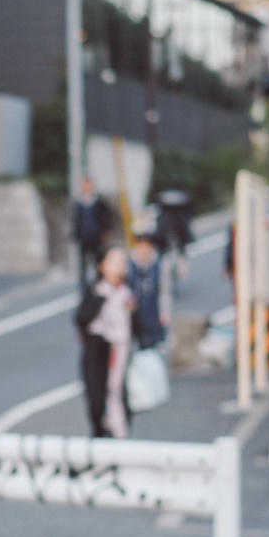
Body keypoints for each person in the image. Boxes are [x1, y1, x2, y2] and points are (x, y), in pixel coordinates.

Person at [74, 246, 137, 438]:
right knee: (98, 397)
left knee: (120, 393)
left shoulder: (128, 294)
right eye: (115, 262)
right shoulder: (96, 292)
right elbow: (81, 319)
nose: (120, 267)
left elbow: (138, 324)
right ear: (103, 266)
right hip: (98, 352)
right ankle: (102, 435)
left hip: (122, 350)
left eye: (123, 262)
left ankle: (120, 432)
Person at [129, 221, 168, 351]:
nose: (144, 250)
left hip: (154, 311)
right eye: (140, 245)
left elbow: (164, 291)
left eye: (147, 245)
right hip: (137, 314)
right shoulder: (130, 265)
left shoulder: (159, 264)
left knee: (157, 345)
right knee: (140, 346)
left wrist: (165, 312)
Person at [71, 175, 116, 283]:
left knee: (99, 264)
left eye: (89, 184)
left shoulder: (99, 202)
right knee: (83, 267)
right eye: (85, 185)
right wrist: (75, 234)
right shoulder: (78, 203)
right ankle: (84, 289)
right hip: (83, 238)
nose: (87, 187)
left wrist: (106, 231)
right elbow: (75, 220)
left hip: (97, 237)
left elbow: (108, 217)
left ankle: (100, 285)